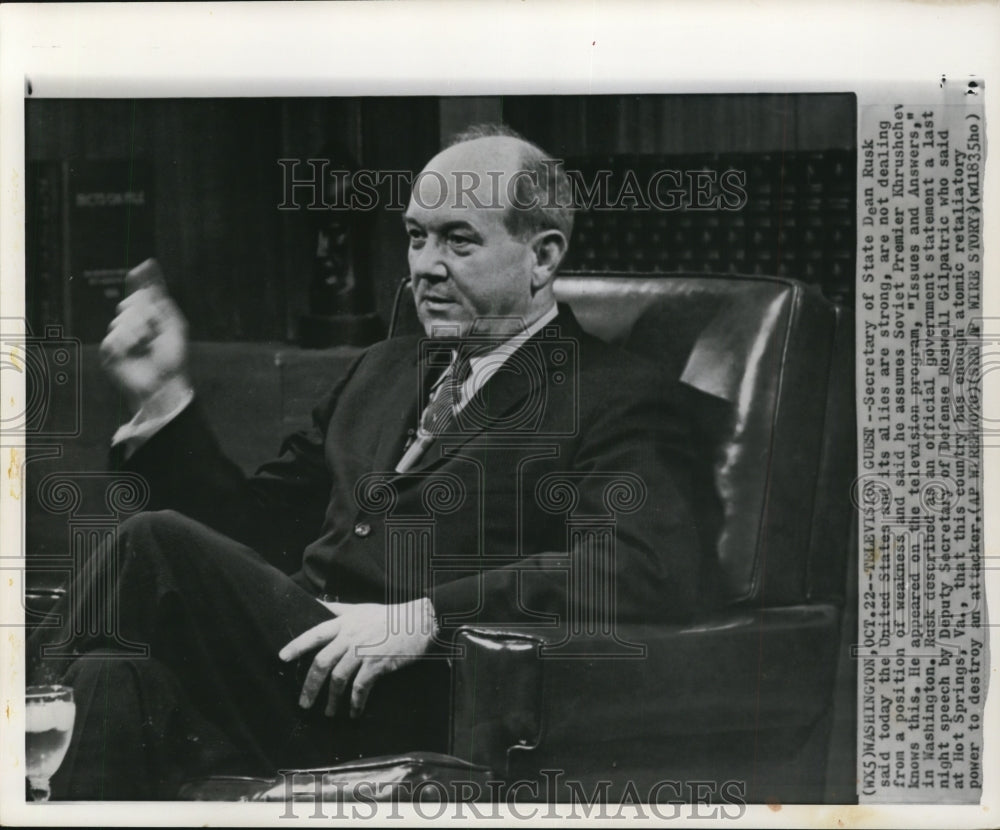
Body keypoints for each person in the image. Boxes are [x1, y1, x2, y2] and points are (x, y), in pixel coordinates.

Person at [28, 124, 706, 799]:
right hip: (297, 669)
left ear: (543, 256)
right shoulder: (379, 371)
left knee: (152, 542)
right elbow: (250, 533)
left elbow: (644, 563)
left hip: (418, 694)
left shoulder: (616, 395)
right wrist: (163, 395)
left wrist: (424, 616)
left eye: (458, 239)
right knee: (109, 676)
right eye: (416, 236)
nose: (424, 266)